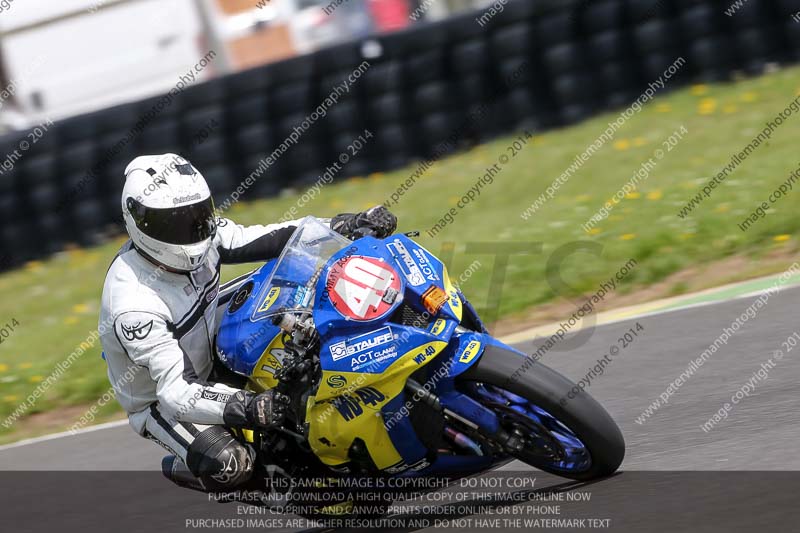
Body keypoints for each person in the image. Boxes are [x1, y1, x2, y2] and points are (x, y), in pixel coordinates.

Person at [99, 153, 397, 492]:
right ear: (140, 224)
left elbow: (270, 236)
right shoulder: (133, 306)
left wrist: (345, 224)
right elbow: (175, 392)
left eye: (198, 215)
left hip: (210, 329)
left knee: (307, 314)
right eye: (175, 223)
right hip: (164, 398)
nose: (192, 229)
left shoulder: (205, 234)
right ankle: (300, 490)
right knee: (229, 465)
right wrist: (247, 405)